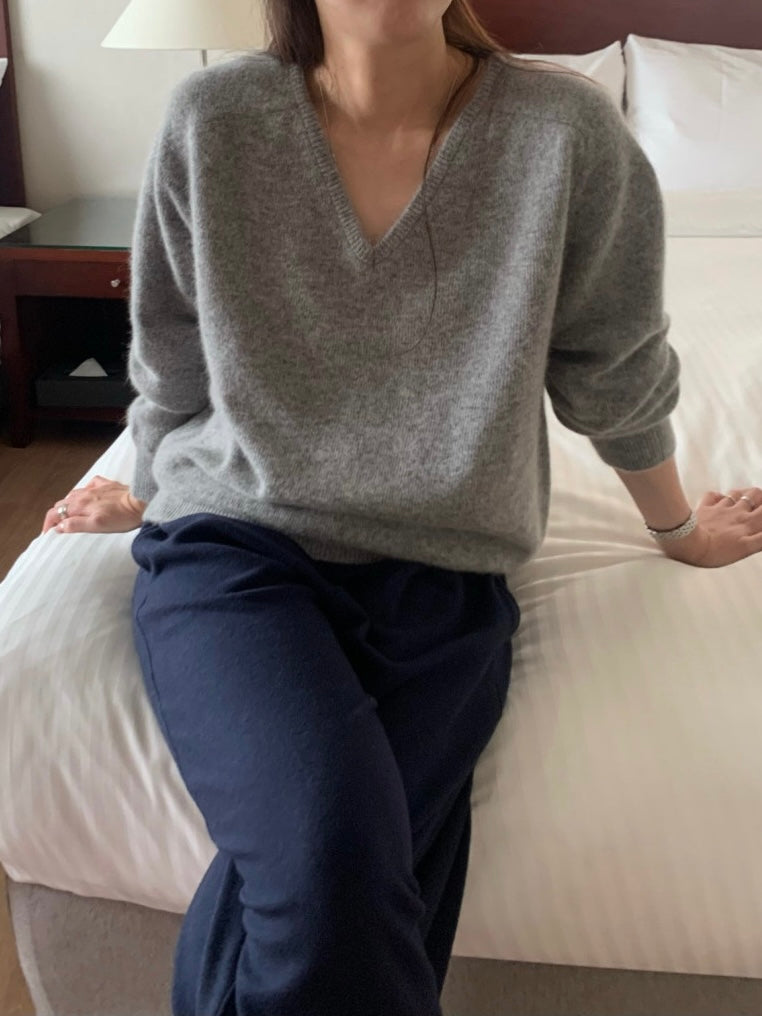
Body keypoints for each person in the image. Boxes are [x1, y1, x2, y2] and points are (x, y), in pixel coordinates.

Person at [41, 1, 762, 1013]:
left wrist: (677, 528)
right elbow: (174, 356)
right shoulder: (215, 118)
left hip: (446, 573)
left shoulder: (563, 135)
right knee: (335, 847)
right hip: (236, 547)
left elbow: (612, 366)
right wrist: (153, 486)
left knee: (350, 870)